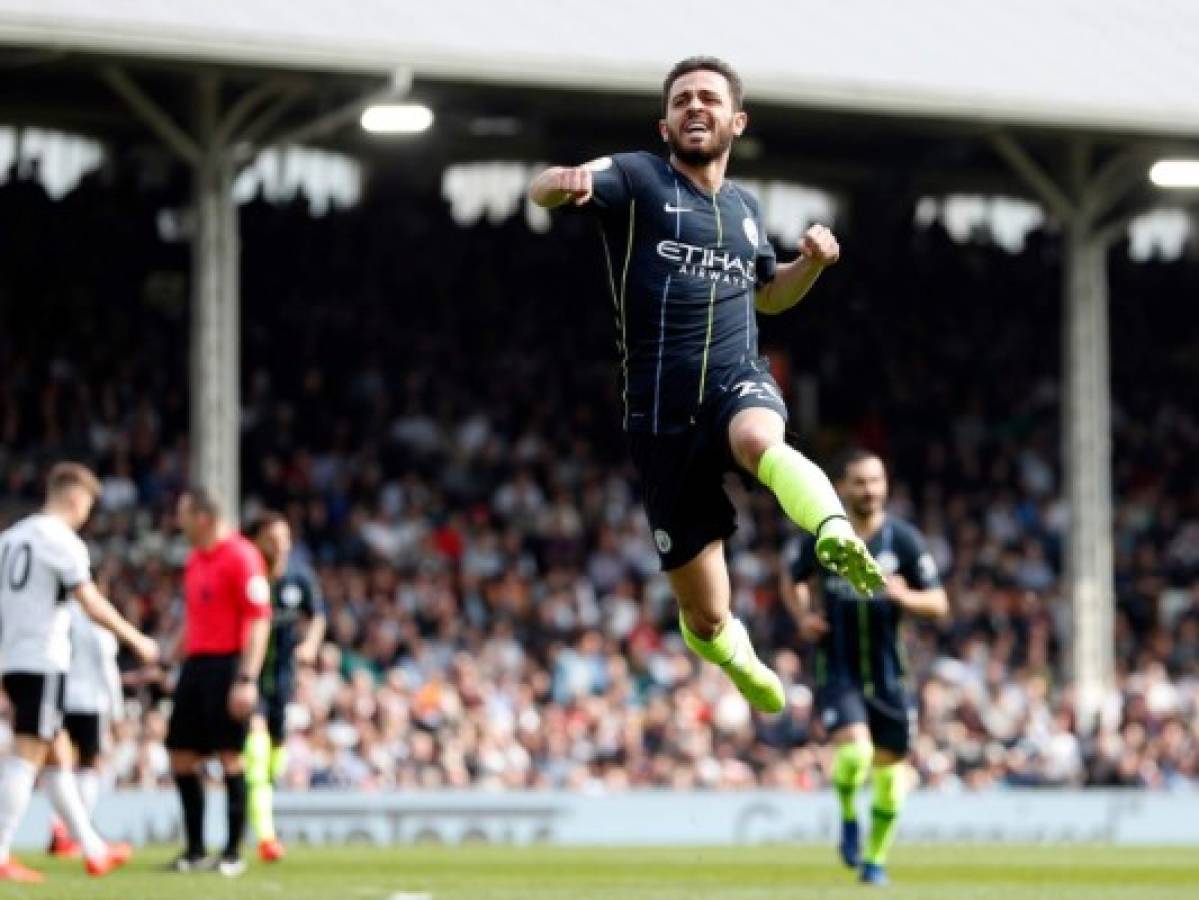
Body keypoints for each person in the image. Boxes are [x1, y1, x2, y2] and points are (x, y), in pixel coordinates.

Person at [528, 56, 883, 714]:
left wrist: (809, 263)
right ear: (663, 124)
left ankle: (832, 527)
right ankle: (737, 656)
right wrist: (560, 183)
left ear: (735, 121)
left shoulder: (746, 210)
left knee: (757, 436)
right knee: (708, 615)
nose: (695, 107)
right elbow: (545, 187)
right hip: (660, 417)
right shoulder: (636, 177)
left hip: (733, 379)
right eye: (682, 100)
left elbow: (770, 298)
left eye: (709, 99)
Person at [788, 448, 948, 886]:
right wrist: (803, 616)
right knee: (856, 752)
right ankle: (847, 819)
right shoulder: (825, 538)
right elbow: (793, 579)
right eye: (860, 482)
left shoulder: (904, 541)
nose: (869, 490)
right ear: (842, 487)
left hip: (890, 677)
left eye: (876, 481)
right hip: (838, 669)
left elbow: (939, 603)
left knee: (891, 780)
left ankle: (874, 862)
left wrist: (904, 597)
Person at [0, 462, 159, 883]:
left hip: (13, 656)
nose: (87, 515)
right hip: (41, 658)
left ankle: (91, 847)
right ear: (75, 498)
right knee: (28, 753)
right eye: (88, 505)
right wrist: (135, 638)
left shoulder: (10, 539)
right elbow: (90, 603)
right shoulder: (62, 541)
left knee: (58, 754)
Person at [166, 488, 271, 877]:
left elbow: (258, 619)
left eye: (183, 516)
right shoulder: (195, 560)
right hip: (196, 664)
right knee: (181, 756)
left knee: (231, 756)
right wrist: (167, 657)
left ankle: (231, 853)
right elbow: (193, 620)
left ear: (204, 518)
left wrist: (246, 677)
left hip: (229, 665)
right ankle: (194, 850)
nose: (179, 524)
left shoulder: (243, 557)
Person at [244, 511, 325, 862]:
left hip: (283, 679)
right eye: (272, 538)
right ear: (257, 541)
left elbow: (317, 615)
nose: (280, 546)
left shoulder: (299, 578)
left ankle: (260, 806)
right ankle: (266, 836)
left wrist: (311, 645)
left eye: (285, 538)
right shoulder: (249, 577)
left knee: (274, 757)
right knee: (257, 752)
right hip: (249, 678)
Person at [45, 597, 124, 858]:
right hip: (91, 702)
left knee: (60, 765)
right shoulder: (98, 619)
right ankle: (79, 832)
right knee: (89, 766)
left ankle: (59, 829)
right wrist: (117, 712)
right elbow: (108, 669)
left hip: (59, 699)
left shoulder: (58, 612)